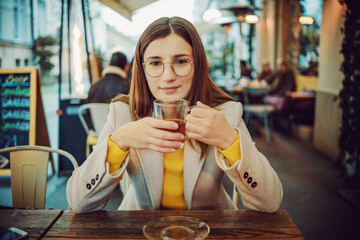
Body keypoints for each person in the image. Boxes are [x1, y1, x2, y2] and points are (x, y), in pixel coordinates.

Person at [67, 16, 283, 213]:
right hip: (139, 227)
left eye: (180, 61)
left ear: (197, 65)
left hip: (211, 228)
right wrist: (119, 141)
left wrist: (229, 140)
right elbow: (78, 203)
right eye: (155, 63)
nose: (168, 76)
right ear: (142, 70)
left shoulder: (224, 113)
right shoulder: (123, 113)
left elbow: (270, 202)